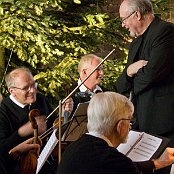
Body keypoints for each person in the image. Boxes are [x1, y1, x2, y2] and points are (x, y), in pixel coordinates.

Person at [115, 1, 174, 173]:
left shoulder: (165, 32)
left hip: (165, 124)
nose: (123, 24)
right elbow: (122, 86)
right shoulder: (135, 43)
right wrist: (129, 71)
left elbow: (150, 76)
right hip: (141, 124)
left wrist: (132, 77)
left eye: (124, 19)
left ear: (137, 15)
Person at [57, 92, 174, 174]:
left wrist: (156, 163)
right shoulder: (110, 158)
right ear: (120, 125)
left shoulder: (76, 146)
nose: (130, 125)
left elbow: (123, 167)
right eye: (130, 120)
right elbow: (122, 166)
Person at [0, 67, 73, 174]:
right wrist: (21, 132)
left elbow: (54, 128)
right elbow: (2, 149)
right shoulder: (3, 110)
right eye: (26, 88)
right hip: (20, 168)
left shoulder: (41, 99)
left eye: (33, 84)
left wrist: (64, 113)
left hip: (47, 162)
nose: (33, 90)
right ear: (12, 91)